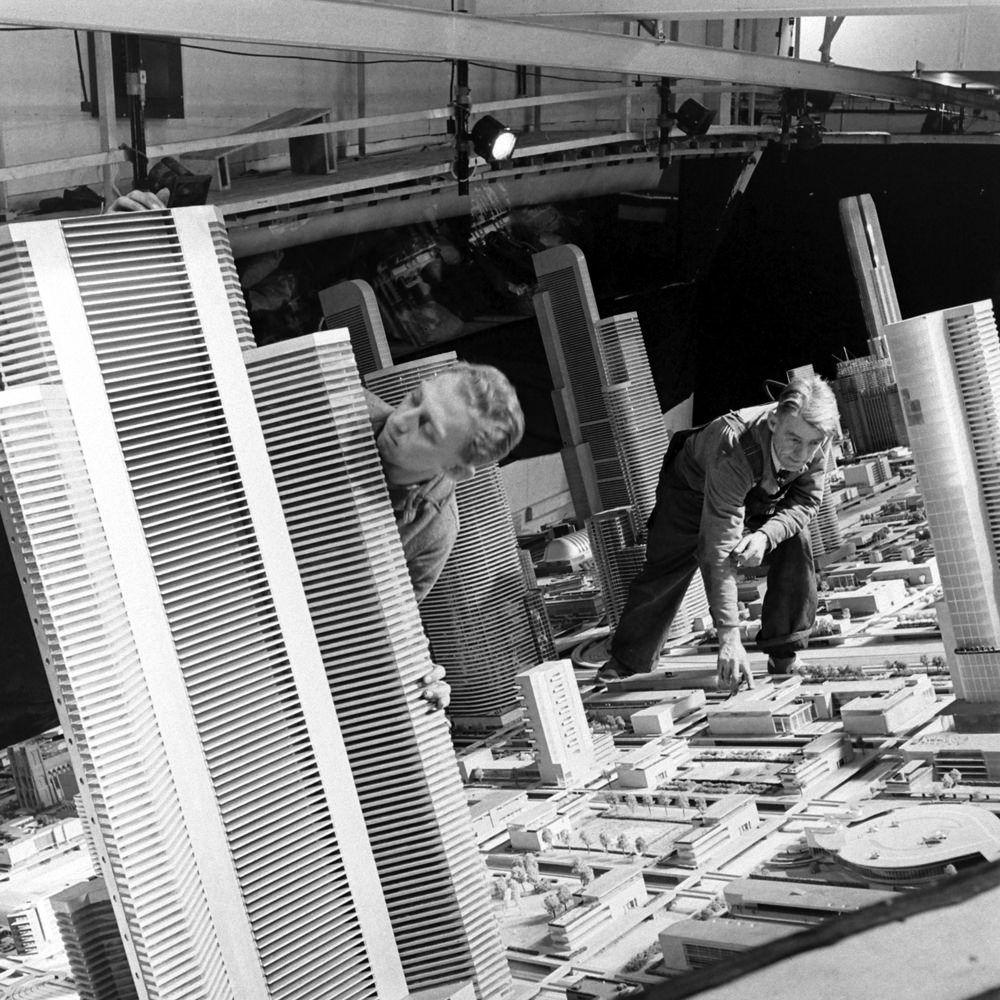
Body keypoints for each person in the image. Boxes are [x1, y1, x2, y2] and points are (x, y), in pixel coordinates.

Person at [108, 189, 526, 708]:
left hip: (238, 641)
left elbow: (383, 628)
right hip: (169, 554)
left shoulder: (431, 530)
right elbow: (213, 363)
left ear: (459, 468)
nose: (401, 420)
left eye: (428, 430)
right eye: (414, 401)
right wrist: (135, 249)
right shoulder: (330, 400)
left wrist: (421, 676)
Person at [598, 373, 840, 694]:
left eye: (813, 444)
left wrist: (766, 535)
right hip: (690, 491)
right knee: (666, 569)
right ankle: (627, 658)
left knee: (794, 538)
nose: (802, 454)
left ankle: (784, 651)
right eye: (794, 440)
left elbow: (807, 500)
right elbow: (719, 552)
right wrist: (729, 637)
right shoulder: (734, 448)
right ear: (772, 422)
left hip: (757, 490)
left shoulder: (815, 437)